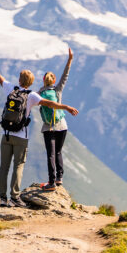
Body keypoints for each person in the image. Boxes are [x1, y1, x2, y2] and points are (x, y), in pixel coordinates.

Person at [0, 53, 79, 207]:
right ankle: (15, 196)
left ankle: (2, 198)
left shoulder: (11, 89)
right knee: (18, 166)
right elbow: (50, 104)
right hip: (21, 137)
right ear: (31, 83)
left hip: (5, 134)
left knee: (3, 166)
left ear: (19, 81)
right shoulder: (32, 95)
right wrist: (66, 107)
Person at [37, 47, 74, 191]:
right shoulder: (57, 90)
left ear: (43, 80)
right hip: (62, 126)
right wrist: (70, 59)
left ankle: (51, 183)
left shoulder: (39, 94)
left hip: (49, 127)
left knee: (50, 154)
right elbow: (66, 75)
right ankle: (59, 178)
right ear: (54, 80)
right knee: (58, 152)